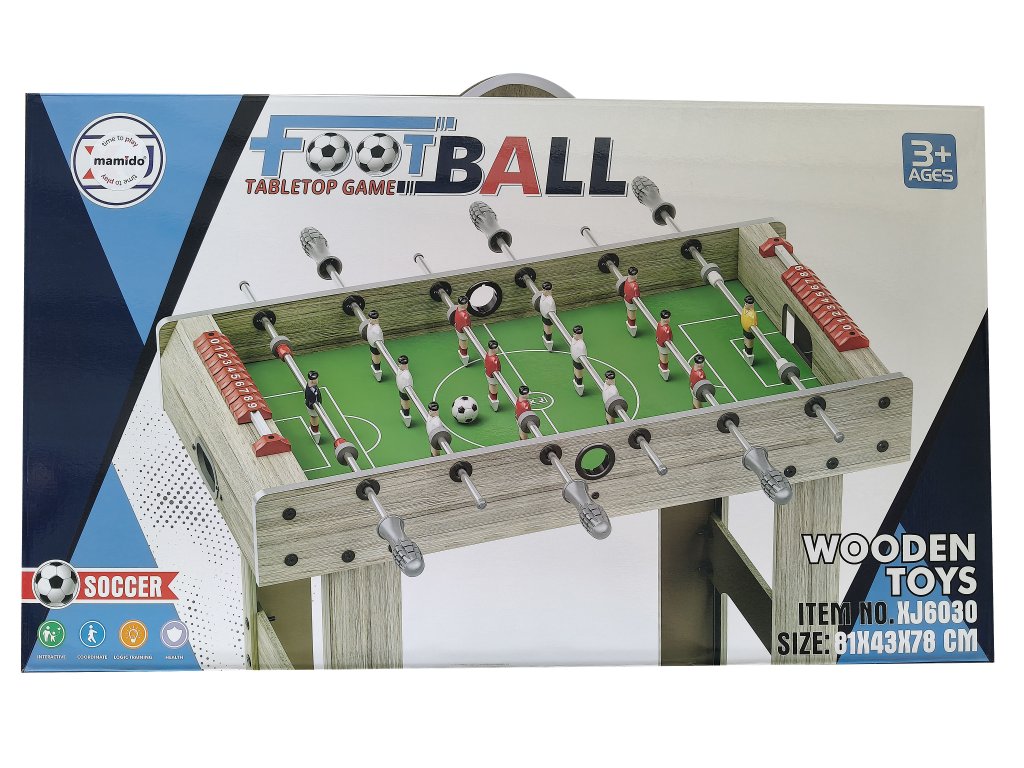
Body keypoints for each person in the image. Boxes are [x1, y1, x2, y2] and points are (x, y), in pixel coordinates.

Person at [304, 370, 323, 444]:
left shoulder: (313, 387)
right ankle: (315, 431)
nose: (317, 380)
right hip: (312, 407)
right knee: (314, 417)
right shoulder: (311, 390)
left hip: (313, 404)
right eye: (316, 379)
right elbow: (311, 399)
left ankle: (314, 430)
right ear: (312, 381)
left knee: (314, 417)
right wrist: (315, 405)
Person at [453, 295, 472, 366]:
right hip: (463, 332)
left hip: (457, 328)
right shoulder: (465, 315)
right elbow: (467, 325)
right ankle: (464, 355)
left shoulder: (457, 309)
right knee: (464, 342)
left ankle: (461, 352)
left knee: (460, 340)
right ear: (466, 304)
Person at [365, 310, 384, 381]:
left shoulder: (377, 329)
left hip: (376, 346)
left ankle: (377, 370)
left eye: (371, 319)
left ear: (376, 320)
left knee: (376, 357)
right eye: (369, 319)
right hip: (371, 344)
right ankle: (375, 368)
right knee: (373, 356)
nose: (369, 320)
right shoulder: (370, 324)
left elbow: (378, 339)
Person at [395, 355, 413, 427]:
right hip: (401, 390)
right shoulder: (400, 371)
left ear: (405, 365)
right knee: (402, 399)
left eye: (400, 364)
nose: (398, 365)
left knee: (405, 400)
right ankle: (404, 412)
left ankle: (406, 414)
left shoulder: (406, 376)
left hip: (405, 392)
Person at [740, 294, 758, 366]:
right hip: (745, 328)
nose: (745, 305)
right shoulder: (745, 309)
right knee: (745, 341)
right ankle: (746, 352)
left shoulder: (752, 314)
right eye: (745, 303)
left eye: (747, 304)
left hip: (749, 331)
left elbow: (754, 324)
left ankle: (749, 354)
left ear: (751, 305)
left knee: (749, 343)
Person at [483, 339, 501, 411]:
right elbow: (497, 369)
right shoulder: (494, 359)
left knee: (491, 385)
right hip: (492, 376)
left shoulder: (488, 354)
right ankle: (493, 399)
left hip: (487, 372)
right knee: (494, 386)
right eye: (497, 348)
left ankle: (492, 398)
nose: (498, 349)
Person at [538, 281, 556, 351]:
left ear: (549, 291)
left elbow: (551, 310)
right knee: (544, 326)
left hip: (548, 317)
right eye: (543, 290)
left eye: (545, 290)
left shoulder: (550, 300)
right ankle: (545, 337)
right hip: (543, 314)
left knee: (548, 329)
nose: (544, 291)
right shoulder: (543, 295)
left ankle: (548, 341)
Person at [569, 325, 587, 396]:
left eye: (575, 334)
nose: (573, 335)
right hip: (574, 358)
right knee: (575, 371)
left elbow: (582, 353)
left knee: (579, 373)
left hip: (579, 361)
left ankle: (579, 384)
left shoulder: (581, 345)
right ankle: (576, 382)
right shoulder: (574, 340)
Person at [622, 266, 640, 337]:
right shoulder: (634, 286)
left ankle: (630, 325)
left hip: (626, 298)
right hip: (631, 302)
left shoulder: (627, 280)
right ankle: (632, 327)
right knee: (632, 313)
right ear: (635, 275)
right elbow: (637, 296)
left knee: (629, 311)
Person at [656, 309, 673, 381]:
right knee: (664, 357)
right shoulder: (666, 329)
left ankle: (662, 368)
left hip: (658, 342)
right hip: (664, 345)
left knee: (661, 355)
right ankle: (664, 369)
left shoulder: (659, 323)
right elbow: (668, 338)